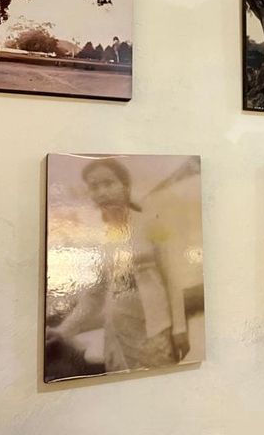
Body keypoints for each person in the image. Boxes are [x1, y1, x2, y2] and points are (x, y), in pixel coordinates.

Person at [45, 157, 200, 380]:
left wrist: (179, 329)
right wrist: (64, 329)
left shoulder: (153, 223)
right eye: (94, 186)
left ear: (125, 186)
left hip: (155, 334)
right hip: (117, 335)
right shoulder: (100, 238)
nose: (101, 192)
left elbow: (172, 278)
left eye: (108, 183)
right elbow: (95, 294)